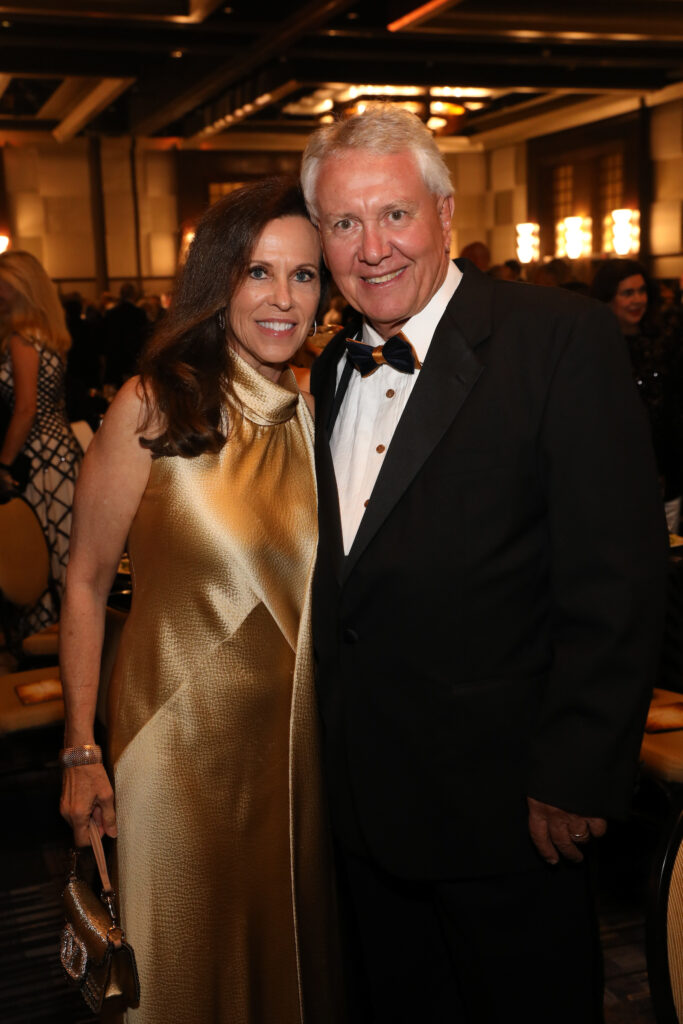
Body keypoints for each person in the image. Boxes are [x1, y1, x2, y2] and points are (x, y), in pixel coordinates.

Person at [300, 105, 668, 1024]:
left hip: (511, 810)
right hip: (362, 805)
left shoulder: (558, 339)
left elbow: (615, 576)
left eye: (394, 214)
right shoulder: (325, 370)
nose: (371, 246)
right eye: (344, 223)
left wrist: (578, 772)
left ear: (444, 211)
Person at [59, 178, 343, 1024]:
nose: (284, 299)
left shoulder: (323, 407)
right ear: (221, 278)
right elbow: (81, 579)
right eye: (261, 272)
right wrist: (80, 752)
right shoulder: (151, 404)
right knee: (184, 973)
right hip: (174, 750)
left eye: (304, 275)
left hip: (297, 752)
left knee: (286, 963)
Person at [0, 250, 82, 628]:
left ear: (21, 288)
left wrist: (2, 463)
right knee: (66, 554)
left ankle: (47, 644)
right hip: (61, 452)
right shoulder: (46, 335)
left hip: (37, 458)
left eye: (3, 285)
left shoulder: (21, 339)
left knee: (43, 558)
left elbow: (26, 409)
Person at [591, 258, 683, 532]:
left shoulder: (664, 341)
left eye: (642, 291)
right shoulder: (595, 347)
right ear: (608, 298)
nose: (637, 300)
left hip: (666, 468)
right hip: (615, 472)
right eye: (627, 293)